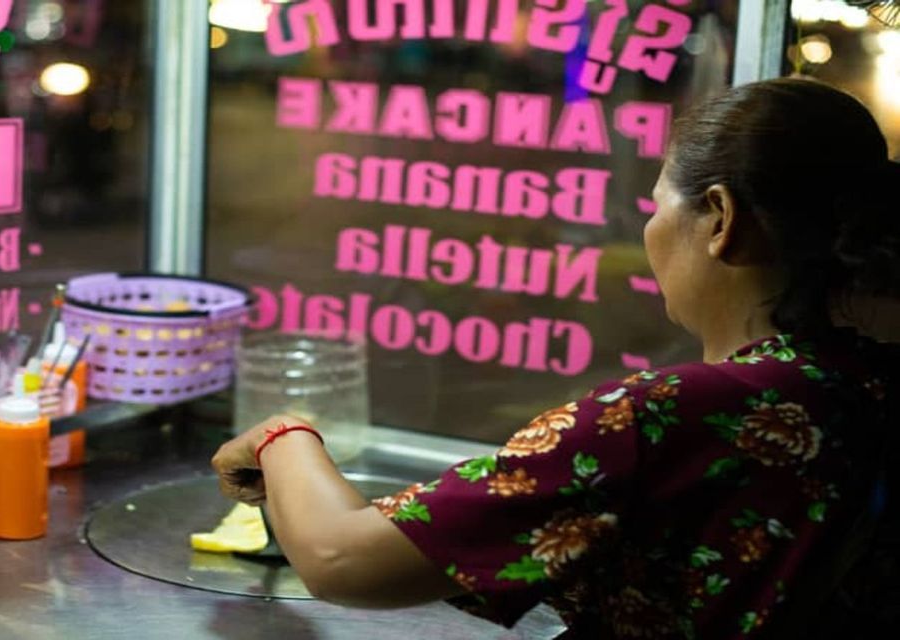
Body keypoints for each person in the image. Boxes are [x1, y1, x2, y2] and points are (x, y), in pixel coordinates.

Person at [211, 78, 900, 638]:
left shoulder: (662, 418)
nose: (649, 229)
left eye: (657, 204)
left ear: (719, 219)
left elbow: (342, 559)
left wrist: (281, 435)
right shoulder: (867, 382)